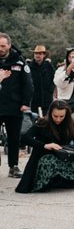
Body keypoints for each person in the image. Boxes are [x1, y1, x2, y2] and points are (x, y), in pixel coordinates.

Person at [15, 99, 74, 193]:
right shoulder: (42, 122)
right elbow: (25, 138)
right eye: (55, 116)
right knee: (50, 162)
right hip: (43, 155)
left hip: (63, 155)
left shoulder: (71, 124)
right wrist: (45, 145)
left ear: (66, 115)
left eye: (61, 116)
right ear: (50, 113)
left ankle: (64, 181)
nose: (58, 119)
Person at [0, 33, 33, 178]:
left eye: (3, 45)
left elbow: (28, 84)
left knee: (14, 138)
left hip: (14, 106)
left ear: (9, 45)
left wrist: (26, 103)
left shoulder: (19, 61)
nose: (0, 48)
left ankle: (13, 166)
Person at [28, 45, 54, 116]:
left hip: (47, 99)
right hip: (33, 99)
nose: (37, 55)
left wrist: (50, 91)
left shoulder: (49, 66)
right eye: (36, 53)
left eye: (40, 53)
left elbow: (53, 80)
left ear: (44, 55)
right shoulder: (29, 66)